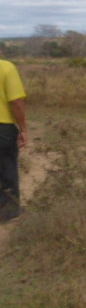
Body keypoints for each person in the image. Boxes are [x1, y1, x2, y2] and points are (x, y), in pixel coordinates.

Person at [0, 45, 27, 222]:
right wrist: (23, 128)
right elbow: (16, 101)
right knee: (7, 168)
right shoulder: (6, 67)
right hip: (3, 127)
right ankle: (8, 211)